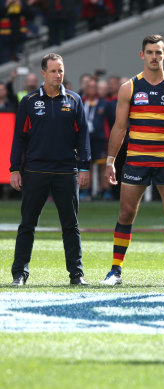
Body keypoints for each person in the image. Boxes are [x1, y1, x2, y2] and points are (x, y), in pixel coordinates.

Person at [100, 34, 164, 286]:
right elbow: (119, 127)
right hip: (136, 161)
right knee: (125, 214)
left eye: (159, 52)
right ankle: (115, 271)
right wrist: (110, 160)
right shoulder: (129, 88)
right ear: (142, 55)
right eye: (150, 52)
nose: (154, 56)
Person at [9, 53, 90, 286]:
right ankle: (19, 274)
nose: (58, 75)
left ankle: (76, 274)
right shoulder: (29, 101)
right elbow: (19, 139)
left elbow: (83, 136)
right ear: (43, 73)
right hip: (35, 171)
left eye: (61, 70)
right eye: (54, 71)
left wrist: (84, 166)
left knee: (71, 225)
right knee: (27, 224)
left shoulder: (74, 100)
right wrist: (15, 169)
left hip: (67, 171)